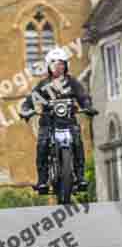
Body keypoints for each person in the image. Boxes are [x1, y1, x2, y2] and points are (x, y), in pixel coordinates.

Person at [20, 47, 97, 194]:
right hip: (48, 123)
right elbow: (30, 100)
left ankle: (80, 177)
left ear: (66, 66)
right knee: (42, 145)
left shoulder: (72, 82)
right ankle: (42, 180)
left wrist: (88, 106)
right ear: (49, 66)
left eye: (61, 63)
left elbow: (83, 97)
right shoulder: (43, 85)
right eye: (54, 63)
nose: (58, 67)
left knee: (77, 143)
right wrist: (25, 109)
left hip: (69, 122)